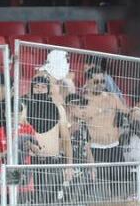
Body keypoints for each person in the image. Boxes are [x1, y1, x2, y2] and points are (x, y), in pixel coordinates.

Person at [24, 75, 73, 203]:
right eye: (36, 87)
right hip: (30, 163)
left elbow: (67, 140)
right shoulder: (24, 109)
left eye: (43, 87)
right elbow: (18, 136)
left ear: (49, 89)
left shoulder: (58, 108)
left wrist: (69, 165)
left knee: (51, 201)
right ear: (31, 89)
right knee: (34, 200)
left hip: (54, 162)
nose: (39, 90)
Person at [83, 67, 130, 197]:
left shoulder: (112, 97)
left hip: (114, 147)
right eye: (96, 81)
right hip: (96, 149)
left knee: (119, 186)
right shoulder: (84, 101)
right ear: (88, 81)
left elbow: (127, 112)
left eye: (102, 81)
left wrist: (138, 110)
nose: (100, 85)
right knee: (100, 189)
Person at [64, 93, 96, 202]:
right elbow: (57, 146)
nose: (83, 111)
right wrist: (71, 130)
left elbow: (87, 148)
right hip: (67, 170)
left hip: (82, 171)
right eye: (80, 107)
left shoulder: (83, 125)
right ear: (71, 107)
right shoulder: (61, 124)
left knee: (79, 200)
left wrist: (92, 168)